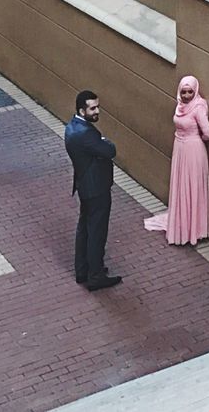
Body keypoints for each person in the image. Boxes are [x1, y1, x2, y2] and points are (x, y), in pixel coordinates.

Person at [143, 75, 209, 244]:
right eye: (184, 92)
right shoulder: (180, 105)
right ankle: (182, 224)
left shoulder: (198, 108)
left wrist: (194, 140)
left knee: (191, 186)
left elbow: (208, 134)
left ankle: (193, 230)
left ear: (195, 91)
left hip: (193, 150)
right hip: (180, 148)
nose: (187, 95)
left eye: (190, 92)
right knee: (181, 185)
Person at [64, 90, 122, 291]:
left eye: (97, 106)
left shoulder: (72, 127)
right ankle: (95, 275)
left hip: (84, 187)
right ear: (82, 109)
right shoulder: (87, 134)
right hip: (96, 188)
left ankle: (82, 270)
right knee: (97, 231)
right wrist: (106, 142)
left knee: (85, 228)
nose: (97, 111)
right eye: (93, 108)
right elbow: (109, 151)